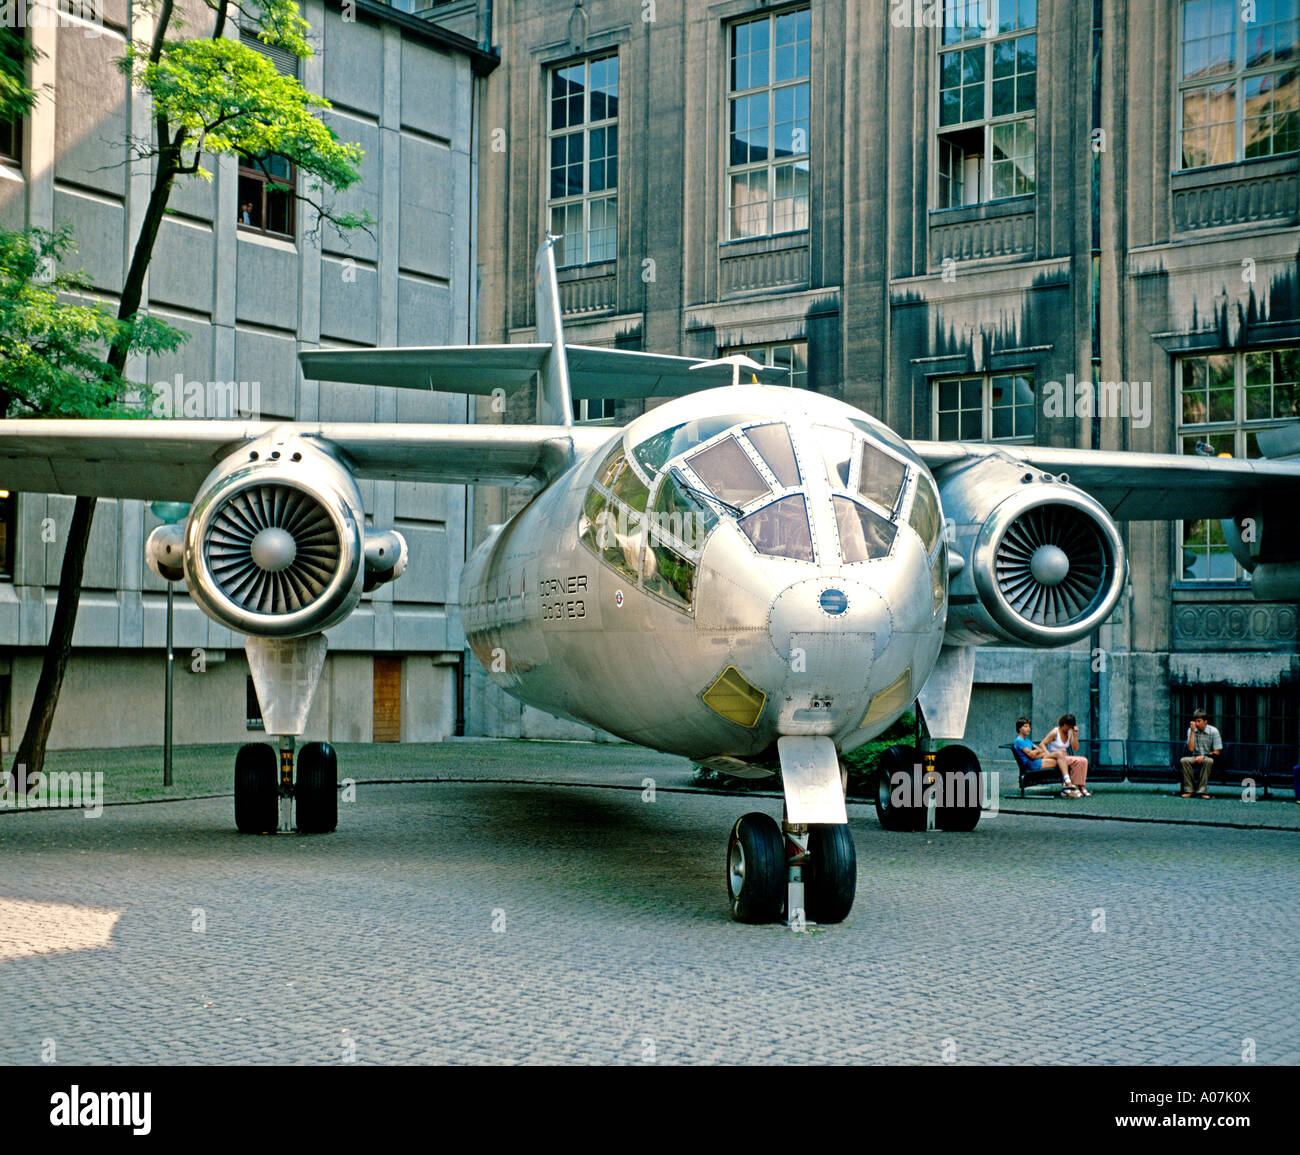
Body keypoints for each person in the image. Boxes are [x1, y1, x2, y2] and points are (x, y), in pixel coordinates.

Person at [1012, 715, 1079, 798]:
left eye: (1029, 726)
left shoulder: (1027, 740)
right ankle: (1067, 787)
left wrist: (1038, 752)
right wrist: (1039, 753)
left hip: (1037, 760)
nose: (1028, 728)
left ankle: (1067, 786)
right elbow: (1031, 755)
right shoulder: (1019, 741)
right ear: (1019, 728)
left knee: (1060, 759)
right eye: (1025, 726)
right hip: (1031, 764)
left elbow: (1039, 750)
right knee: (1061, 760)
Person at [1042, 713, 1090, 797]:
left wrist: (1075, 735)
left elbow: (1075, 748)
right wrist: (1048, 754)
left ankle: (1081, 786)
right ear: (1063, 724)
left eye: (1070, 726)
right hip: (1056, 756)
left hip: (1065, 756)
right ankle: (1075, 786)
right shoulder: (1055, 732)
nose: (1068, 728)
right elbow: (1042, 744)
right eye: (1067, 726)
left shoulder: (1070, 733)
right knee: (1077, 761)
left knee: (1084, 760)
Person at [1180, 708, 1222, 799]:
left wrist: (1203, 757)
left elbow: (1217, 751)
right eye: (1195, 721)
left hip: (1209, 757)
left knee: (1208, 761)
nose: (1197, 724)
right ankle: (1189, 790)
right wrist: (1192, 732)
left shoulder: (1213, 731)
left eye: (1199, 721)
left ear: (1205, 721)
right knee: (1184, 760)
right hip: (1195, 756)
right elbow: (1190, 749)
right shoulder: (1191, 730)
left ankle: (1202, 791)